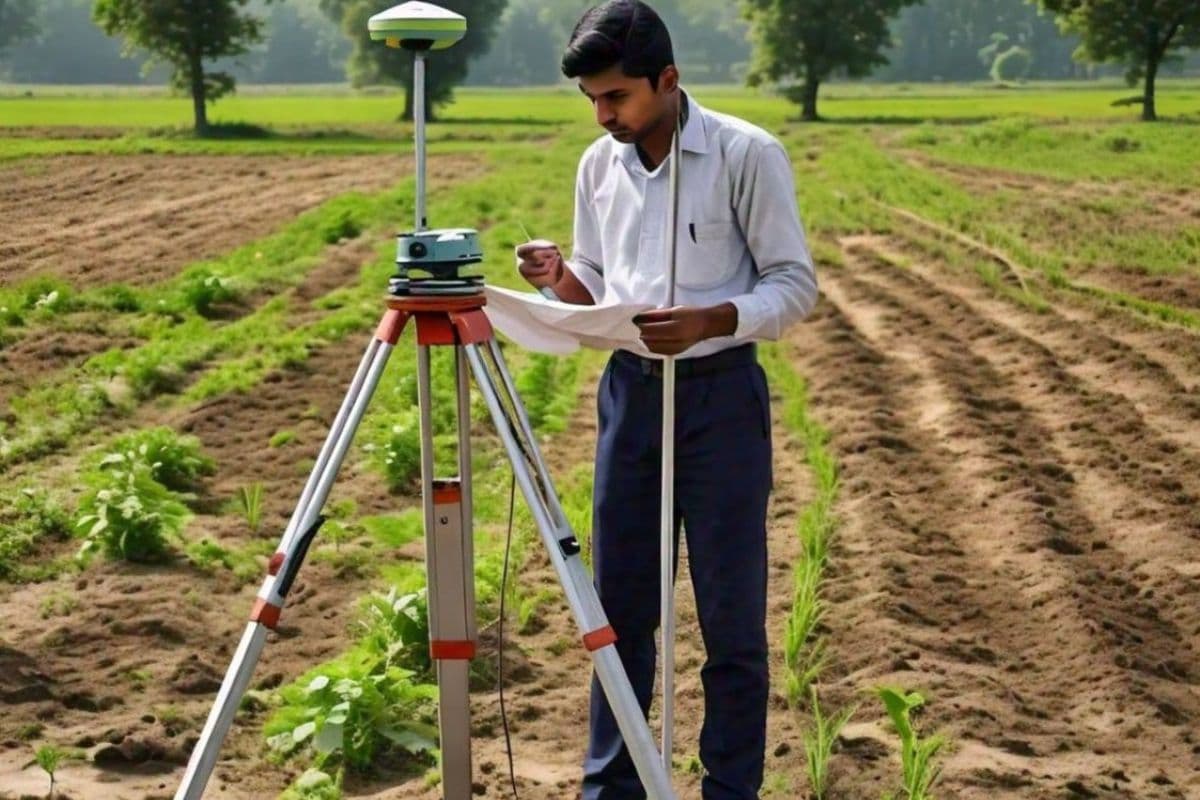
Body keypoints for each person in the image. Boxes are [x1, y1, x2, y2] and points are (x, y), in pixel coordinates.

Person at [515, 2, 818, 797]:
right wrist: (558, 280)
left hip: (721, 403)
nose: (603, 114)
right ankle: (610, 787)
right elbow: (600, 291)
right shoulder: (597, 166)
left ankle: (730, 788)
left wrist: (715, 318)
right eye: (592, 100)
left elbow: (795, 286)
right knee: (619, 611)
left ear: (669, 79)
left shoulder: (747, 155)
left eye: (617, 97)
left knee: (730, 617)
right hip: (631, 402)